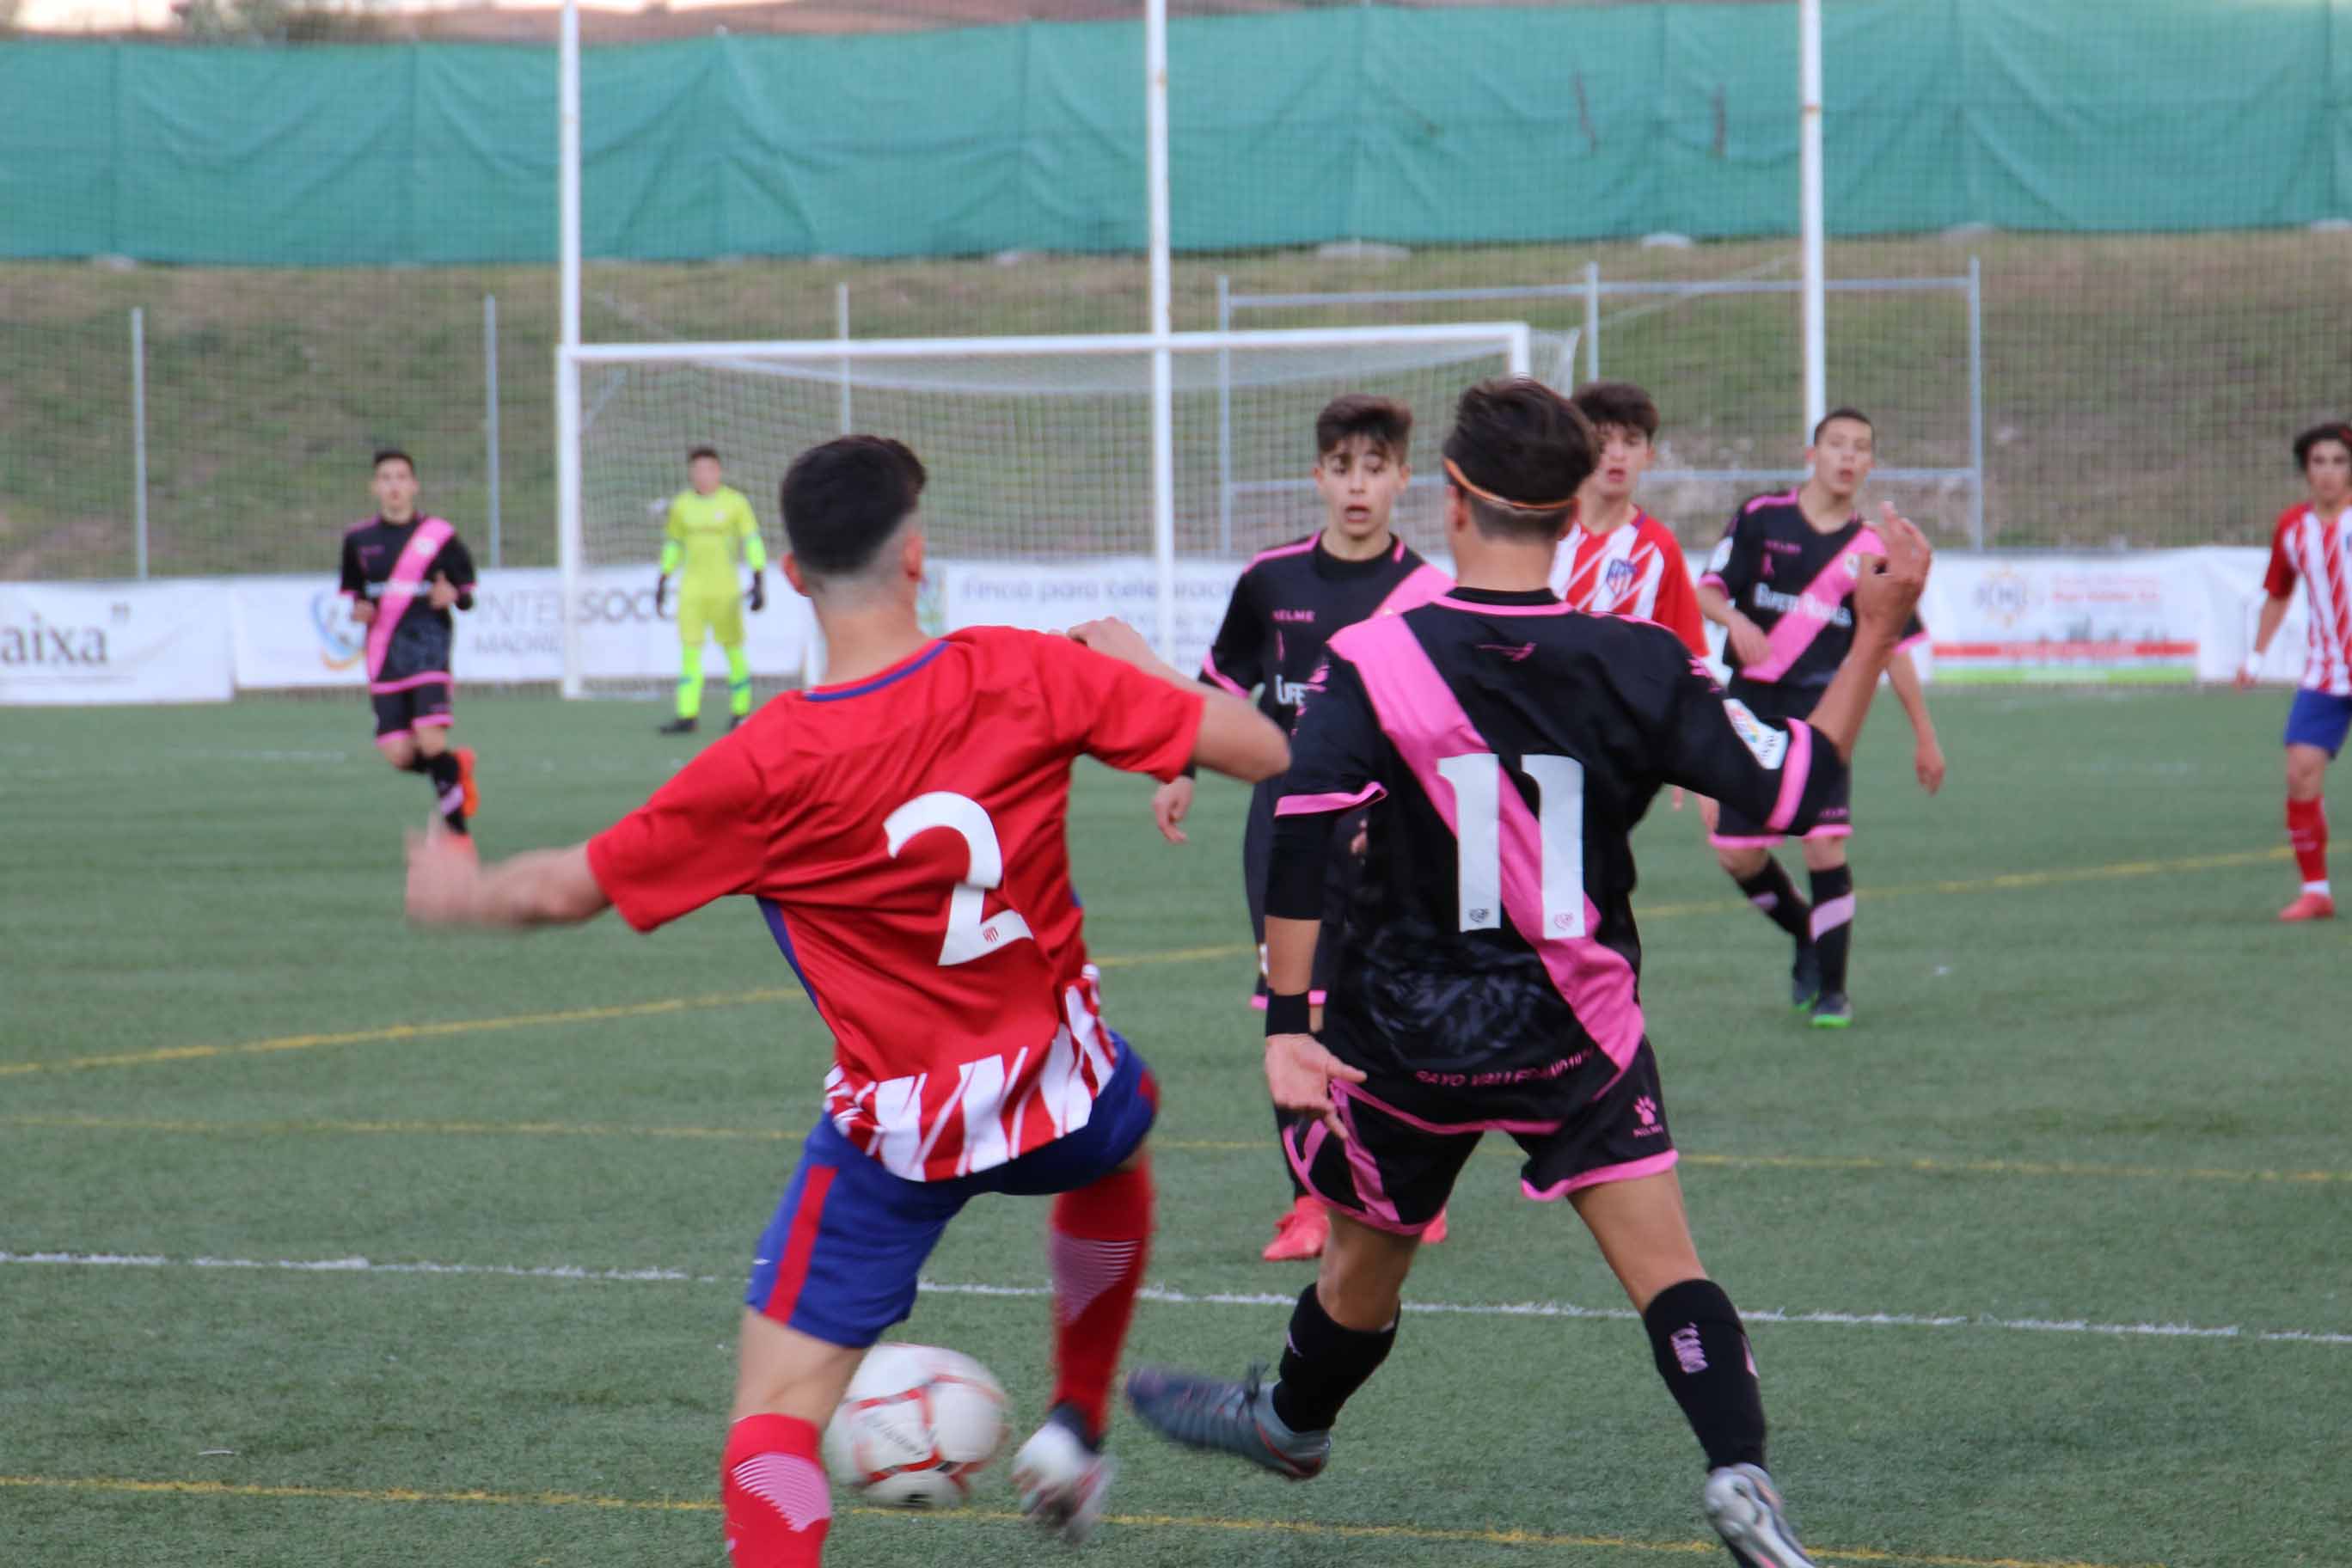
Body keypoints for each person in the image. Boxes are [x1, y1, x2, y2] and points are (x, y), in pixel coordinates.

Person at [403, 435, 1290, 1567]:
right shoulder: (1024, 668)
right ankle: (1076, 1423)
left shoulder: (765, 763)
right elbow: (1263, 749)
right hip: (1062, 1091)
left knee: (773, 1420)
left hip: (901, 1131)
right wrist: (1147, 667)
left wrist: (465, 890)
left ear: (785, 572)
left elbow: (569, 889)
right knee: (1122, 1137)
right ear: (916, 556)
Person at [1123, 378, 1933, 1568]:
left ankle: (1292, 1426)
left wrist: (1289, 1021)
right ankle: (1740, 1473)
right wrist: (1874, 631)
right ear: (1570, 512)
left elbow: (1301, 830)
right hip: (1578, 1031)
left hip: (1403, 1040)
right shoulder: (1638, 660)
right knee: (1669, 1269)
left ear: (1450, 498)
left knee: (1360, 1271)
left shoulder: (1375, 656)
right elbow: (1802, 780)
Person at [1150, 393, 1454, 1263]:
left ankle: (1411, 1183)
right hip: (1284, 828)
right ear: (1319, 476)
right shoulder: (1271, 578)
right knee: (1295, 1007)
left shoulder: (1426, 591)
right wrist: (1179, 768)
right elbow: (1219, 682)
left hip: (1389, 827)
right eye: (1342, 467)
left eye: (1376, 468)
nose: (1359, 485)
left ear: (1403, 479)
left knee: (1396, 1004)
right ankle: (1309, 1204)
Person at [1694, 408, 1944, 1029]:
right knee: (1737, 857)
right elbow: (1705, 591)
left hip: (1828, 715)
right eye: (1836, 444)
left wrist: (1925, 734)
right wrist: (1739, 623)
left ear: (1870, 464)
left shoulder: (1873, 551)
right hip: (1752, 708)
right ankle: (1808, 935)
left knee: (1824, 844)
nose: (1847, 457)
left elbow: (1892, 647)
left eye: (1861, 448)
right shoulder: (1761, 518)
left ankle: (1833, 989)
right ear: (1811, 454)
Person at [2237, 419, 2352, 922]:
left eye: (2339, 461)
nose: (2328, 472)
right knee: (2300, 773)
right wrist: (2255, 657)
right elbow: (2279, 593)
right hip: (2326, 675)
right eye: (2318, 462)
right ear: (2305, 471)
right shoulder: (2292, 528)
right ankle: (2316, 891)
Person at [339, 448, 479, 836]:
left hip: (429, 647)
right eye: (386, 478)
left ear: (414, 485)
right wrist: (360, 610)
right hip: (384, 654)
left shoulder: (439, 536)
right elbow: (356, 596)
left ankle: (458, 837)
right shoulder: (358, 540)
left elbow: (466, 593)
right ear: (374, 487)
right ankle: (454, 768)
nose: (394, 485)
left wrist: (454, 595)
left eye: (401, 477)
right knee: (399, 754)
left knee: (431, 738)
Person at [1549, 381, 1707, 657]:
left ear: (1648, 455)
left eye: (1631, 442)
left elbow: (1688, 659)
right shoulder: (1542, 530)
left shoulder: (1659, 548)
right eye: (1602, 442)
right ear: (1579, 447)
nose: (1618, 455)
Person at [656, 446, 769, 735]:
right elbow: (674, 545)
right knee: (690, 654)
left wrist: (758, 579)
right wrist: (663, 579)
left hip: (725, 591)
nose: (703, 475)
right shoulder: (682, 505)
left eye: (709, 469)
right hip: (691, 591)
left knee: (733, 651)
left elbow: (752, 540)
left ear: (718, 471)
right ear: (691, 473)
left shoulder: (735, 503)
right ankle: (687, 715)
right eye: (698, 470)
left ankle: (740, 712)